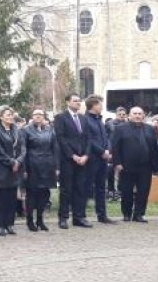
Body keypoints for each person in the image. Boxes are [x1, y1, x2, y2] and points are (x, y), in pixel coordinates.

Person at [110, 106, 158, 222]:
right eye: (135, 113)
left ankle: (139, 214)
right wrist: (117, 163)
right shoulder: (120, 129)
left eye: (140, 114)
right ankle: (127, 214)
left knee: (144, 191)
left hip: (145, 165)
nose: (138, 116)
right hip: (126, 165)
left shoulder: (150, 129)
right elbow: (115, 147)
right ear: (130, 115)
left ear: (143, 116)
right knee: (126, 191)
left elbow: (155, 148)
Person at [54, 92, 92, 229]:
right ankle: (63, 217)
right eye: (75, 100)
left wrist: (86, 155)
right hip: (68, 160)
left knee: (80, 189)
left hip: (83, 160)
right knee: (66, 190)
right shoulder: (60, 118)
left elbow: (88, 138)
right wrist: (73, 156)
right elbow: (61, 139)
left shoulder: (83, 119)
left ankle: (79, 217)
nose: (78, 103)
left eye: (79, 101)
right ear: (68, 102)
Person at [0, 105, 25, 236]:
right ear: (0, 117)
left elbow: (23, 147)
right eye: (7, 115)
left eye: (11, 115)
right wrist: (11, 162)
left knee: (12, 198)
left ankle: (9, 224)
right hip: (2, 168)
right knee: (1, 199)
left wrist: (19, 161)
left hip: (15, 169)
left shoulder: (16, 129)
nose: (10, 117)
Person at [21, 107, 58, 232]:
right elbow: (23, 150)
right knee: (32, 194)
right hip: (33, 165)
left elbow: (55, 148)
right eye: (36, 114)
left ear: (44, 117)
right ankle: (30, 220)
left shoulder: (49, 130)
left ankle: (40, 220)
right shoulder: (26, 130)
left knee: (45, 193)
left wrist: (56, 166)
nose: (38, 116)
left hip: (47, 165)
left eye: (41, 114)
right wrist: (24, 168)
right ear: (32, 117)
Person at [85, 95, 116, 224]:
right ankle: (80, 214)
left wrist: (107, 150)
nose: (102, 107)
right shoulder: (86, 120)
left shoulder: (99, 120)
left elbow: (106, 137)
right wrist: (102, 151)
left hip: (103, 159)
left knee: (101, 187)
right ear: (94, 105)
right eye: (100, 104)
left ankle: (102, 215)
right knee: (86, 187)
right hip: (92, 158)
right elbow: (89, 140)